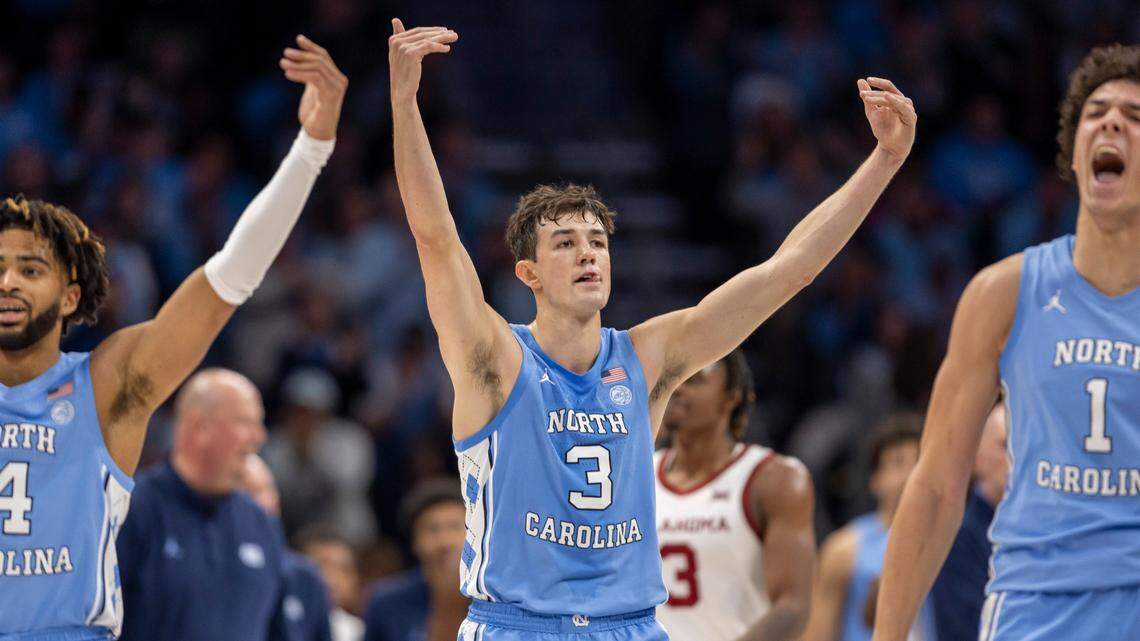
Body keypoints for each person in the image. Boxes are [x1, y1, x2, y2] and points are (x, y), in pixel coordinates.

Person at [388, 17, 916, 641]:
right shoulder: (495, 357)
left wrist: (884, 161)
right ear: (527, 271)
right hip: (520, 625)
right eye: (566, 243)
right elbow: (436, 238)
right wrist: (404, 102)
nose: (589, 254)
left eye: (597, 241)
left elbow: (790, 271)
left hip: (630, 626)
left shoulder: (648, 356)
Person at [0, 35, 345, 641]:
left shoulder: (108, 387)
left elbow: (229, 277)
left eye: (31, 270)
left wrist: (310, 151)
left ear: (71, 296)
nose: (8, 283)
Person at [872, 44, 1140, 641]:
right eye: (1096, 112)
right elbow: (938, 486)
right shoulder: (1004, 292)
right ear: (1073, 154)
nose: (1113, 122)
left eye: (1135, 116)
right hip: (1037, 607)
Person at [114, 370, 291, 641]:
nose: (259, 437)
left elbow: (277, 630)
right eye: (246, 422)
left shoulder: (262, 524)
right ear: (199, 427)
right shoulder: (132, 509)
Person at [654, 349, 814, 641]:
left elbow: (792, 607)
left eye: (695, 380)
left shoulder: (773, 479)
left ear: (732, 397)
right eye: (674, 380)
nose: (679, 389)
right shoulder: (635, 475)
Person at [802, 415, 935, 641]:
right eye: (898, 462)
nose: (910, 474)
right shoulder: (844, 549)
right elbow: (818, 634)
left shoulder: (949, 542)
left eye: (918, 462)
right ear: (875, 479)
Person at [928, 403, 1008, 641]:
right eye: (1005, 445)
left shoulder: (1041, 527)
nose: (1017, 457)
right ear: (978, 458)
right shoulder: (957, 535)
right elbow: (963, 629)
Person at [241, 453, 336, 641]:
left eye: (268, 489)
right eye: (249, 493)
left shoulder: (306, 577)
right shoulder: (208, 569)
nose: (264, 501)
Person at [363, 478, 469, 641]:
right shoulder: (386, 602)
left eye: (455, 527)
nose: (445, 541)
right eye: (432, 529)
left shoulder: (499, 598)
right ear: (415, 542)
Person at [296, 528, 366, 641]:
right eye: (321, 566)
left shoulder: (359, 632)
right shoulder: (278, 620)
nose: (333, 578)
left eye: (343, 568)